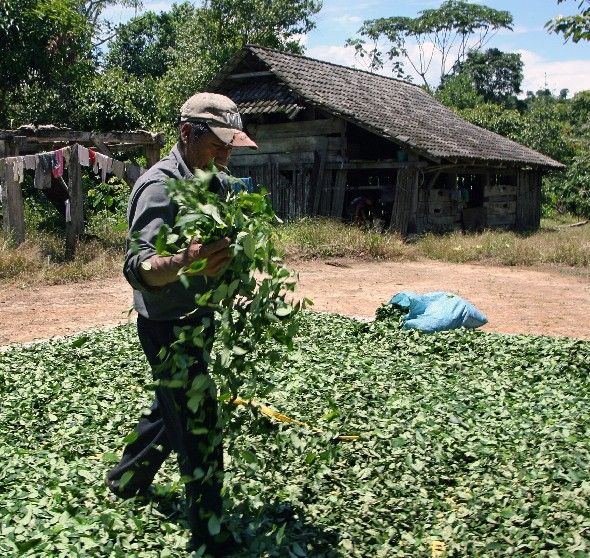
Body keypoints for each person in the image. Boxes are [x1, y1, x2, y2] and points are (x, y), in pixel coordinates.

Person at [106, 93, 258, 556]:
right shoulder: (159, 187)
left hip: (200, 318)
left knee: (170, 410)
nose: (226, 155)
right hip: (167, 327)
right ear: (187, 135)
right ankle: (210, 535)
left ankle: (127, 477)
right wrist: (183, 262)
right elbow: (139, 267)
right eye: (218, 144)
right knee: (199, 427)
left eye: (231, 147)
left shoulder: (213, 183)